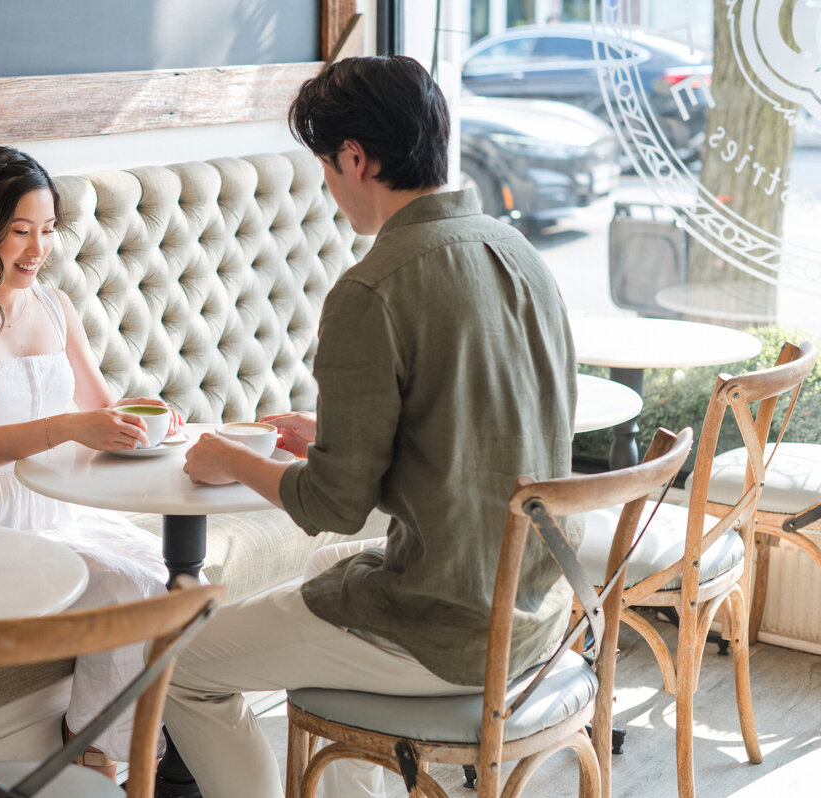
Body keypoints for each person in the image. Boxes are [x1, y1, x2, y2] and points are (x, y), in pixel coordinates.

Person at [163, 56, 578, 798]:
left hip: (448, 631)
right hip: (539, 610)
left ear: (355, 158)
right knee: (327, 578)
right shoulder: (519, 254)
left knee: (181, 665)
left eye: (326, 164)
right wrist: (333, 432)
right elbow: (478, 431)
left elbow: (331, 507)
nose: (329, 183)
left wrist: (233, 458)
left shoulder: (372, 288)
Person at [0, 146, 177, 780]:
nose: (38, 248)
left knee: (169, 581)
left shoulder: (54, 306)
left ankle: (113, 753)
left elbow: (101, 411)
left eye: (49, 230)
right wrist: (69, 427)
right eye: (20, 231)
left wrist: (147, 422)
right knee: (135, 590)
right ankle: (102, 759)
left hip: (60, 515)